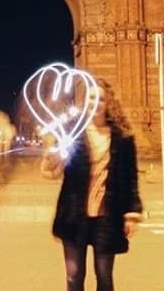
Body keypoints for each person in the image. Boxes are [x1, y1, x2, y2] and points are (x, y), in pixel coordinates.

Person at [40, 78, 144, 291]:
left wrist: (132, 214)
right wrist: (50, 155)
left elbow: (131, 179)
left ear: (109, 103)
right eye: (91, 98)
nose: (96, 103)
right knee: (73, 277)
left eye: (101, 99)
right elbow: (55, 170)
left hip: (107, 217)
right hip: (74, 215)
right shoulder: (71, 134)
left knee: (104, 277)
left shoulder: (123, 138)